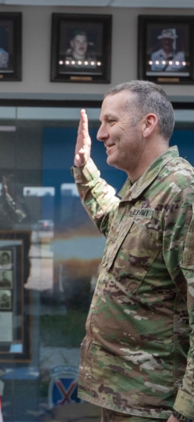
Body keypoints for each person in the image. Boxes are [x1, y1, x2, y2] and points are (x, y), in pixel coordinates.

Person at [72, 80, 194, 421]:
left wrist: (185, 412)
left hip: (158, 406)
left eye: (111, 121)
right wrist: (85, 170)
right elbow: (115, 221)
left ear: (147, 124)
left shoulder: (182, 194)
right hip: (125, 399)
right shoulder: (143, 191)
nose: (100, 134)